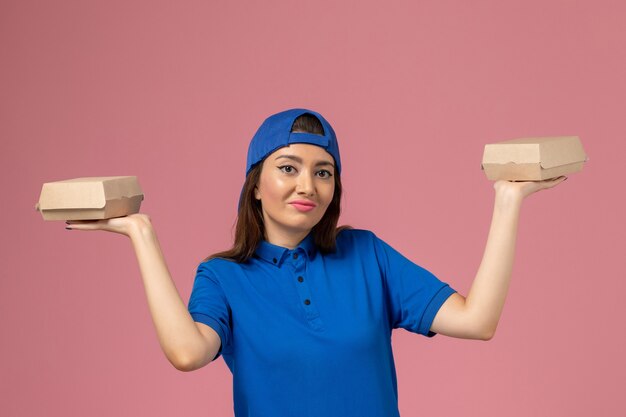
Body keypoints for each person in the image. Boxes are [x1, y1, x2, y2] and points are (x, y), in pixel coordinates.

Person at [65, 108, 566, 416]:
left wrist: (508, 201)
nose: (308, 185)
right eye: (289, 168)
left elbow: (477, 320)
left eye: (323, 172)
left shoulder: (367, 255)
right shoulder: (222, 277)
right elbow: (187, 353)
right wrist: (141, 233)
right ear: (256, 186)